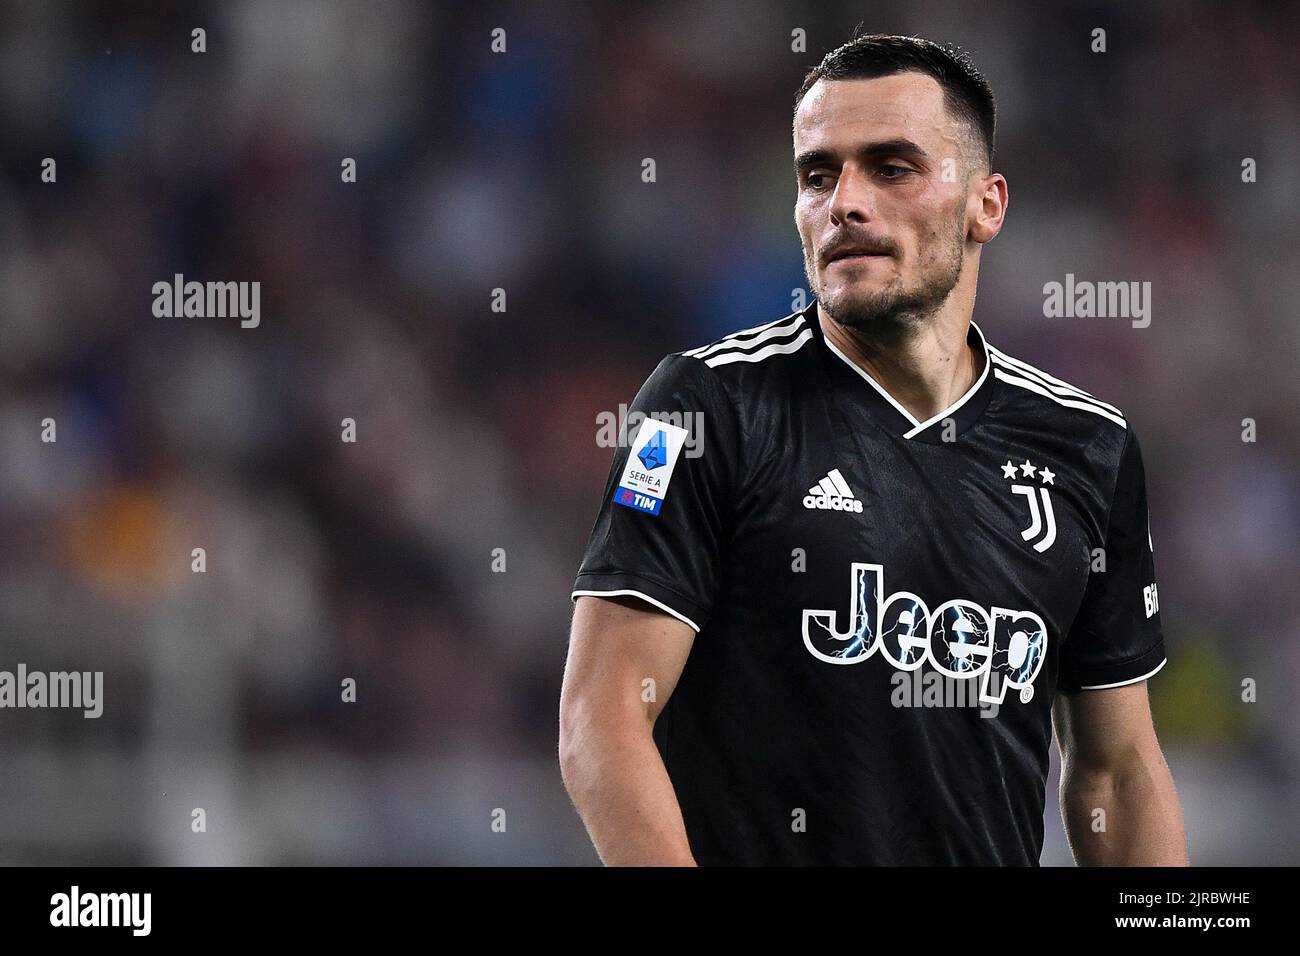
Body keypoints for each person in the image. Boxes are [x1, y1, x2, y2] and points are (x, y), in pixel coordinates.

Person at [559, 33, 1187, 866]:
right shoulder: (702, 409)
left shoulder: (1089, 449)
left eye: (891, 168)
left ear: (985, 204)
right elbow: (602, 717)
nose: (845, 202)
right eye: (818, 175)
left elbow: (1115, 770)